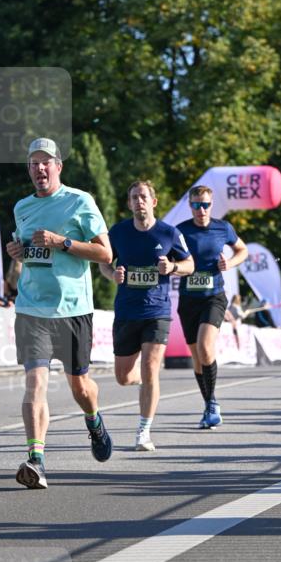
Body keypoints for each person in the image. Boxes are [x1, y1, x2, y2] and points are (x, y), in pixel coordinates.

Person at [5, 138, 113, 490]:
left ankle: (94, 420)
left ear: (58, 167)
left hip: (72, 310)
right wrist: (18, 253)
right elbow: (28, 256)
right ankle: (36, 459)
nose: (39, 168)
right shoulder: (21, 207)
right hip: (31, 308)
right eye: (33, 163)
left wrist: (62, 241)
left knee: (80, 387)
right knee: (35, 384)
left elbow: (105, 254)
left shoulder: (80, 201)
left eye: (45, 162)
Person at [100, 180, 193, 450]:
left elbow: (190, 264)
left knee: (151, 367)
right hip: (127, 311)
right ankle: (143, 381)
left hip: (157, 311)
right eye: (134, 198)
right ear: (129, 204)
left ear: (153, 202)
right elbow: (103, 264)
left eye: (143, 197)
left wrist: (173, 267)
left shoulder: (169, 233)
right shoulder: (118, 232)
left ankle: (144, 432)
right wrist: (113, 274)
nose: (139, 201)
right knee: (123, 377)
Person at [176, 185, 248, 428]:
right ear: (190, 206)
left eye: (205, 204)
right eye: (196, 205)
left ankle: (213, 404)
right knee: (197, 356)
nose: (201, 210)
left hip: (214, 296)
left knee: (206, 347)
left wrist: (230, 262)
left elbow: (242, 250)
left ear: (211, 204)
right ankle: (209, 404)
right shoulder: (181, 231)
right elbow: (167, 255)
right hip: (188, 299)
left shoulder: (223, 228)